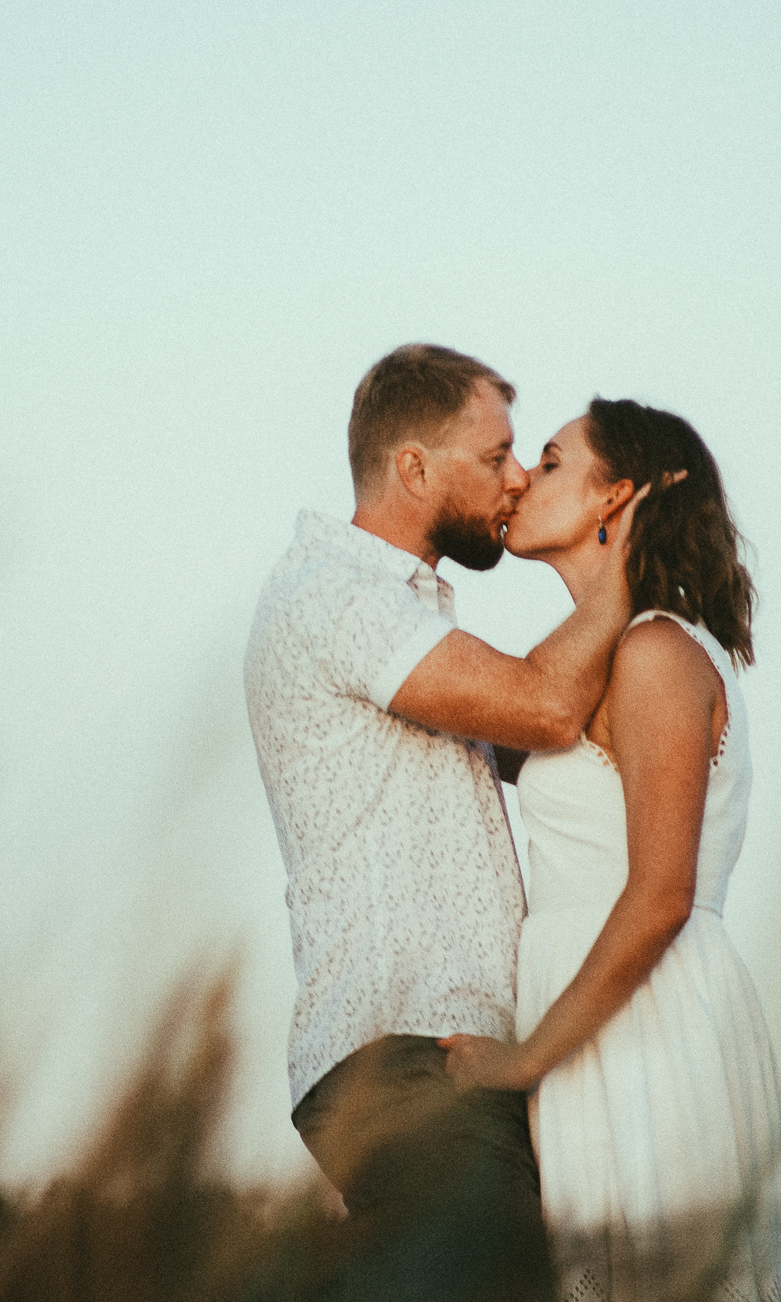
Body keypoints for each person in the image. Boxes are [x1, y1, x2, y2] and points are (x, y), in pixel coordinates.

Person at [243, 345, 652, 1301]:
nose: (515, 480)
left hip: (440, 1061)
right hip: (407, 1059)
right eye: (498, 455)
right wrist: (638, 555)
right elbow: (545, 707)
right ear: (415, 467)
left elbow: (552, 744)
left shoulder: (397, 612)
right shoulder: (335, 598)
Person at [441, 400, 781, 1302]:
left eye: (555, 461)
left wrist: (522, 1061)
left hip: (643, 1028)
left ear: (619, 499)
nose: (523, 475)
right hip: (598, 1022)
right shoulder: (611, 651)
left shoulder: (654, 653)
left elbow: (661, 894)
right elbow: (514, 710)